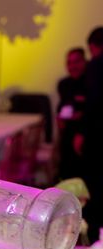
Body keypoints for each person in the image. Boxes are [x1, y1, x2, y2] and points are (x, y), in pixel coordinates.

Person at [80, 27, 103, 243]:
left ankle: (94, 237)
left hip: (97, 137)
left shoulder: (97, 65)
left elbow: (93, 103)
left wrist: (81, 133)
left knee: (94, 186)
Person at [56, 47, 88, 181]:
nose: (72, 66)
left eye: (76, 62)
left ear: (84, 62)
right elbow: (62, 107)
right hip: (67, 135)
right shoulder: (64, 84)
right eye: (69, 63)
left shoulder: (92, 83)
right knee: (66, 173)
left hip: (85, 135)